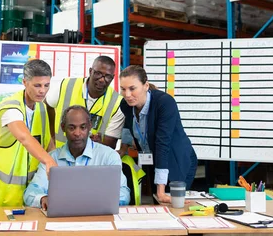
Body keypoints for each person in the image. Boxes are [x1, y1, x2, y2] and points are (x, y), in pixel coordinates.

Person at [0, 59, 58, 207]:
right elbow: (25, 138)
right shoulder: (11, 108)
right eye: (37, 85)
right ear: (24, 82)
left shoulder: (41, 109)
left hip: (14, 191)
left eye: (46, 85)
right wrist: (48, 161)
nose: (42, 90)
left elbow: (48, 144)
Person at [118, 65, 197, 204]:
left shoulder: (164, 103)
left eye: (132, 88)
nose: (127, 95)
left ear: (146, 85)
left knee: (173, 205)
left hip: (175, 160)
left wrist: (160, 191)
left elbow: (163, 143)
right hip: (153, 160)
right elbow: (127, 125)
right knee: (158, 205)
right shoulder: (125, 104)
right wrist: (123, 149)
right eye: (123, 89)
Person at [23, 105, 130, 208]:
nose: (77, 133)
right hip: (62, 220)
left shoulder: (109, 156)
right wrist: (42, 199)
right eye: (72, 128)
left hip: (98, 219)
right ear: (63, 128)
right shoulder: (51, 159)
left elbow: (124, 194)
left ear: (89, 127)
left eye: (83, 127)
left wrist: (90, 203)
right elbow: (30, 193)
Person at [45, 55, 124, 149]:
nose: (102, 80)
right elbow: (47, 105)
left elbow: (110, 144)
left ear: (113, 77)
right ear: (90, 71)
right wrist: (52, 136)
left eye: (108, 76)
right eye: (98, 73)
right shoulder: (66, 86)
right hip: (60, 156)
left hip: (92, 160)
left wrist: (99, 144)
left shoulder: (117, 103)